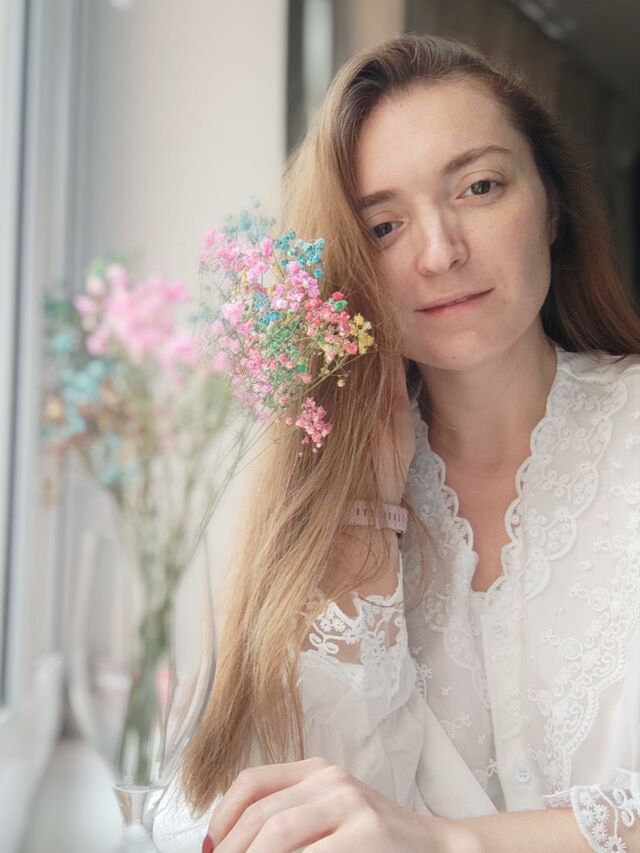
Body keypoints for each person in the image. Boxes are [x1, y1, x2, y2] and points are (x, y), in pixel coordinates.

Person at [182, 33, 640, 852]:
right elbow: (292, 809)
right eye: (384, 226)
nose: (440, 252)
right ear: (347, 269)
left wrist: (451, 841)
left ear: (554, 207)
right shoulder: (324, 497)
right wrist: (364, 509)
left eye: (480, 186)